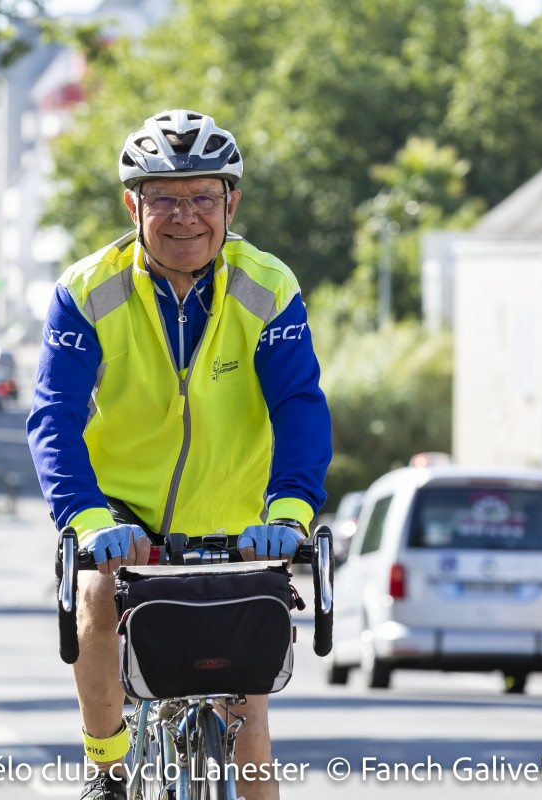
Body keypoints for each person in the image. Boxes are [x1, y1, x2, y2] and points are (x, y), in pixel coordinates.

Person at [27, 109, 331, 800]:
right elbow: (54, 416)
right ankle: (107, 769)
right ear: (132, 205)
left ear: (232, 204)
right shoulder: (87, 290)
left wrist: (289, 511)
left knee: (248, 716)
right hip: (122, 516)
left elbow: (299, 405)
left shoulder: (268, 286)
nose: (185, 215)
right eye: (164, 197)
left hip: (237, 517)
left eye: (203, 197)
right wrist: (86, 521)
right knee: (96, 593)